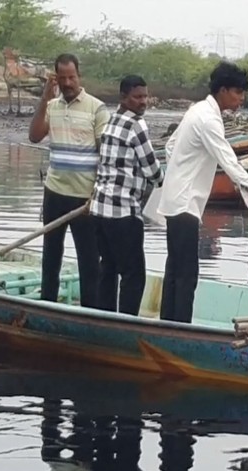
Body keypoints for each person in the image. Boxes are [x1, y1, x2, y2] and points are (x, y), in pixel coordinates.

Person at [157, 61, 248, 323]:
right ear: (222, 90)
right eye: (238, 92)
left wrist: (180, 173)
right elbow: (230, 164)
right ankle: (179, 328)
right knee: (186, 273)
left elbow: (171, 146)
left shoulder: (196, 110)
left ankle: (169, 322)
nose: (241, 99)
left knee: (175, 269)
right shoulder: (207, 119)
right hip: (185, 203)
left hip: (176, 199)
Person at [28, 53, 109, 308]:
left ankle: (90, 312)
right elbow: (34, 136)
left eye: (71, 77)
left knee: (88, 258)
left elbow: (104, 153)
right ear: (56, 79)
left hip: (85, 196)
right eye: (62, 78)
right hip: (54, 192)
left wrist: (97, 191)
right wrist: (44, 99)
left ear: (79, 76)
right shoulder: (51, 106)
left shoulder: (96, 108)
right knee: (51, 254)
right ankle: (47, 305)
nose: (68, 83)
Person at [90, 75, 163, 316]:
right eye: (138, 97)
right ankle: (127, 323)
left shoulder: (113, 120)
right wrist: (164, 181)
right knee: (133, 275)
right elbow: (153, 170)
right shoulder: (135, 124)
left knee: (108, 268)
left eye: (145, 96)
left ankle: (104, 319)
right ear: (124, 97)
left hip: (99, 209)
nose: (143, 102)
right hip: (122, 211)